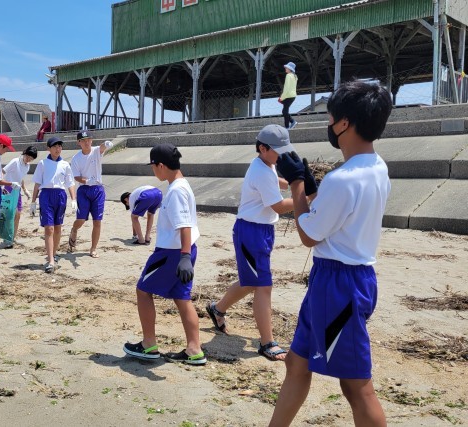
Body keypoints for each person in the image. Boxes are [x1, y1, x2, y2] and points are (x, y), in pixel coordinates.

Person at [269, 80, 392, 427]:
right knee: (297, 362)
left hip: (339, 286)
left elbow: (308, 235)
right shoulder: (377, 166)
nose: (329, 124)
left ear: (344, 124)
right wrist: (311, 187)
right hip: (347, 278)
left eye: (330, 117)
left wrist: (296, 186)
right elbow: (338, 213)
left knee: (357, 387)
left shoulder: (343, 179)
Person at [205, 125, 315, 362]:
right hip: (251, 233)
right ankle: (267, 342)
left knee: (250, 282)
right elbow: (277, 206)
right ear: (262, 148)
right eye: (278, 151)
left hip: (261, 230)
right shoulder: (261, 172)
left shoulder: (266, 165)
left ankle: (217, 309)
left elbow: (276, 181)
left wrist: (296, 180)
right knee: (263, 286)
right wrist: (305, 197)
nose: (282, 156)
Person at [123, 143, 205, 365]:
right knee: (182, 298)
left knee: (142, 290)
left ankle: (149, 344)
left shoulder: (177, 191)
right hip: (183, 251)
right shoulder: (182, 185)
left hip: (172, 253)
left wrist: (185, 257)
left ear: (161, 165)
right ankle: (194, 349)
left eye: (153, 167)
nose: (153, 171)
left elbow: (184, 225)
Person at [30, 137, 76, 273]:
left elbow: (70, 183)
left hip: (60, 196)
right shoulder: (42, 163)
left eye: (60, 146)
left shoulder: (65, 165)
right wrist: (33, 201)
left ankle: (54, 254)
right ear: (48, 148)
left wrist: (73, 199)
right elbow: (37, 183)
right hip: (46, 196)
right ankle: (50, 260)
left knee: (57, 227)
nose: (58, 149)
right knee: (48, 228)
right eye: (55, 146)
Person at [68, 131, 113, 258]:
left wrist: (106, 144)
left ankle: (93, 249)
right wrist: (87, 181)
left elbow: (102, 147)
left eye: (89, 139)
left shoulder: (96, 151)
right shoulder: (76, 158)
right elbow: (76, 177)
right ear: (79, 142)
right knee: (81, 219)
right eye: (83, 140)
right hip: (83, 190)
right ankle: (74, 230)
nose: (87, 142)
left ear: (91, 141)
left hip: (98, 190)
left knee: (97, 221)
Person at [2, 145, 37, 247]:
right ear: (25, 153)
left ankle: (12, 237)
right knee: (9, 215)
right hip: (8, 189)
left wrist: (25, 190)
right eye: (28, 157)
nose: (28, 160)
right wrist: (2, 185)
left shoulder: (27, 166)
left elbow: (21, 178)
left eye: (31, 159)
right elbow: (3, 172)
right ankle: (6, 238)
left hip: (17, 191)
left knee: (18, 215)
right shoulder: (15, 161)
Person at [278, 62, 298, 130]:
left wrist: (281, 97)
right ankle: (290, 123)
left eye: (286, 67)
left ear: (290, 69)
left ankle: (288, 126)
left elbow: (286, 88)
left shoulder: (288, 76)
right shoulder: (295, 76)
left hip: (288, 95)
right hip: (293, 96)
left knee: (285, 111)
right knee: (285, 111)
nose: (285, 68)